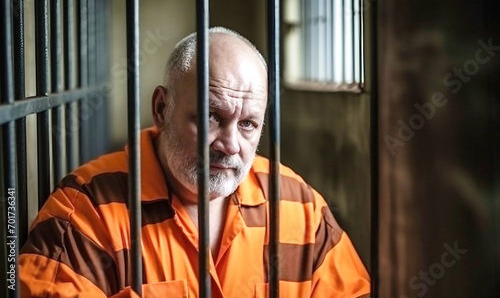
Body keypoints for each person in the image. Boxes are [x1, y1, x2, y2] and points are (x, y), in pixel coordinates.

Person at [19, 27, 370, 297]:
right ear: (161, 109)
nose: (231, 145)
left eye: (248, 123)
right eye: (211, 117)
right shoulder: (84, 213)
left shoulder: (300, 207)